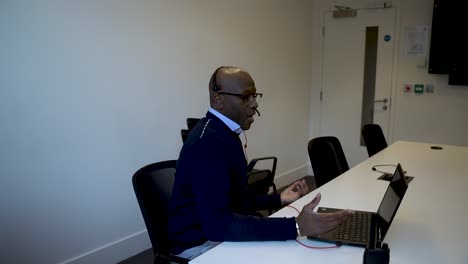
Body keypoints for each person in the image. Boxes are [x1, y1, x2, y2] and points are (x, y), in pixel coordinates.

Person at [168, 66, 352, 260]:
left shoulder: (224, 133)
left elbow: (237, 199)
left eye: (254, 95)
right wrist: (296, 226)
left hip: (213, 231)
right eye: (246, 97)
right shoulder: (208, 143)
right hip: (198, 245)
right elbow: (218, 226)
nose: (254, 103)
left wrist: (278, 199)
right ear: (219, 100)